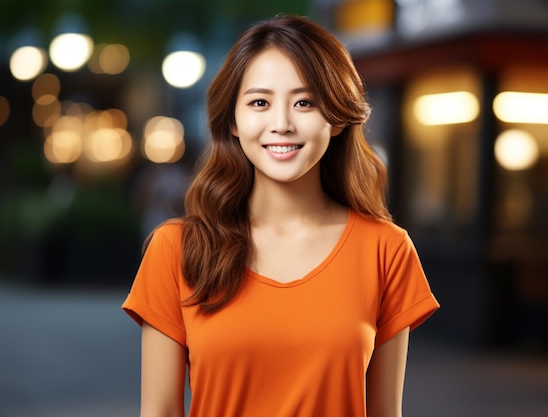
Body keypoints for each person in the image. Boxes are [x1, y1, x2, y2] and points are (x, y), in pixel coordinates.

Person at [122, 14, 439, 417]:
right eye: (259, 102)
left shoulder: (386, 250)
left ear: (337, 118)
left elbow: (384, 412)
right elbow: (160, 412)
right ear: (233, 122)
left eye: (305, 102)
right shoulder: (176, 249)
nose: (282, 124)